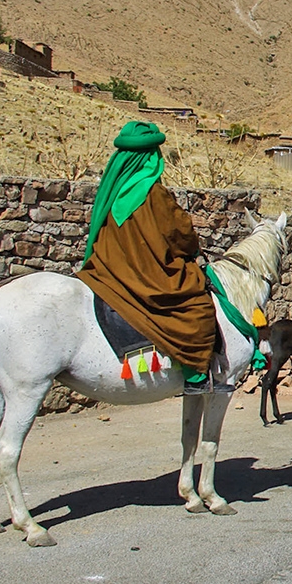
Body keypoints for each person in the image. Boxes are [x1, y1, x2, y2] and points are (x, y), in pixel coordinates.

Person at [76, 121, 218, 394]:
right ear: (152, 156)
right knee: (197, 307)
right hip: (144, 270)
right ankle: (195, 375)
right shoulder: (153, 194)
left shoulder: (111, 189)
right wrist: (192, 251)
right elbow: (181, 233)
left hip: (107, 266)